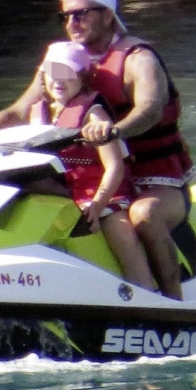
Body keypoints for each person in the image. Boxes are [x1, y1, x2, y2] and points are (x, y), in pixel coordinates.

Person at [0, 0, 195, 300]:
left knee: (143, 216)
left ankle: (173, 303)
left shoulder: (139, 58)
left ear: (107, 14)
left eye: (81, 14)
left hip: (157, 179)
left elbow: (150, 109)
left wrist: (114, 131)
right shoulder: (63, 61)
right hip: (91, 176)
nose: (72, 24)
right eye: (65, 16)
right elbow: (20, 110)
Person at [27, 41, 155, 291]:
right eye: (52, 72)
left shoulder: (93, 114)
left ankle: (146, 290)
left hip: (103, 195)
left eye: (68, 73)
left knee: (120, 233)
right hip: (63, 192)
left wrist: (97, 206)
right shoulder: (37, 113)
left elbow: (115, 167)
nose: (59, 80)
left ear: (83, 77)